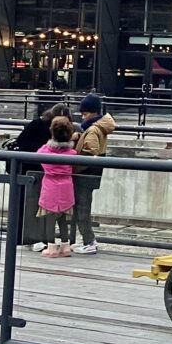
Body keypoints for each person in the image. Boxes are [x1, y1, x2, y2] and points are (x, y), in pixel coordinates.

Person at [14, 103, 71, 253]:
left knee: (37, 208)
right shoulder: (42, 128)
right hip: (34, 172)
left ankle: (38, 239)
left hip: (37, 172)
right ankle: (37, 239)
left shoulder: (38, 125)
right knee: (43, 210)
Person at [73, 94, 116, 255]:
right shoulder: (98, 127)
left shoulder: (92, 129)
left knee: (82, 208)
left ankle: (89, 240)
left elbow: (90, 151)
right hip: (93, 174)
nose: (82, 116)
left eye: (84, 113)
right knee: (83, 207)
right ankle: (87, 240)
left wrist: (74, 160)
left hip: (85, 174)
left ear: (91, 112)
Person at [37, 115, 79, 259]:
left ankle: (51, 247)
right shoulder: (72, 153)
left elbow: (38, 154)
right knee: (63, 219)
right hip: (67, 185)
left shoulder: (45, 151)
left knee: (50, 218)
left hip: (50, 185)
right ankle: (65, 245)